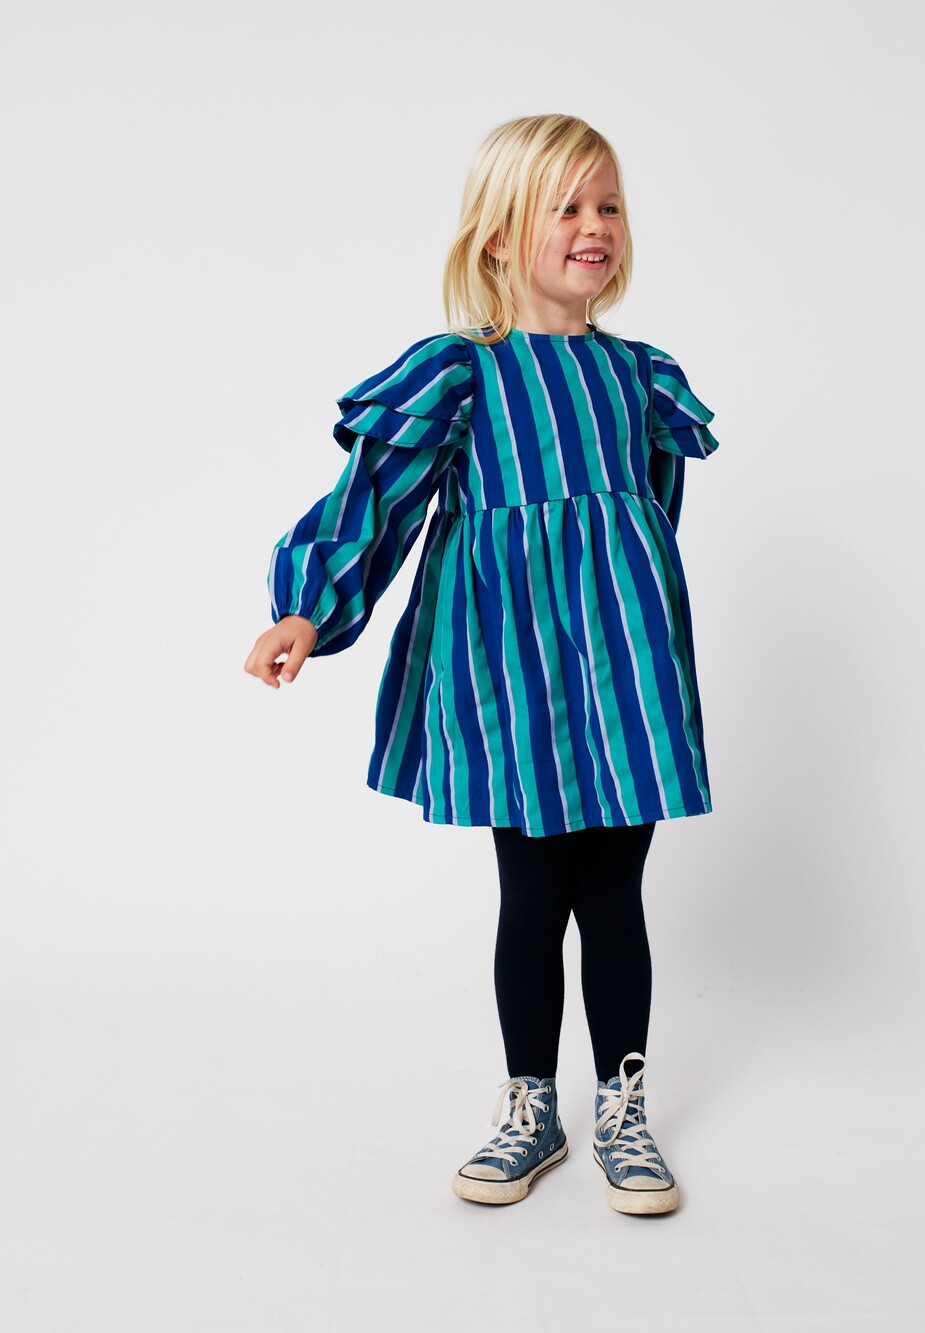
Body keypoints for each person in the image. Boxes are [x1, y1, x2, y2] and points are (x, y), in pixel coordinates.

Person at [244, 114, 720, 1216]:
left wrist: (632, 618)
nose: (594, 225)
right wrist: (308, 608)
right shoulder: (460, 371)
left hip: (623, 667)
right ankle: (530, 1107)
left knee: (616, 893)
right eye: (567, 206)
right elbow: (377, 499)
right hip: (511, 671)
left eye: (608, 205)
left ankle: (623, 1108)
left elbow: (651, 515)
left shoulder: (640, 375)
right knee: (532, 894)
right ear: (499, 236)